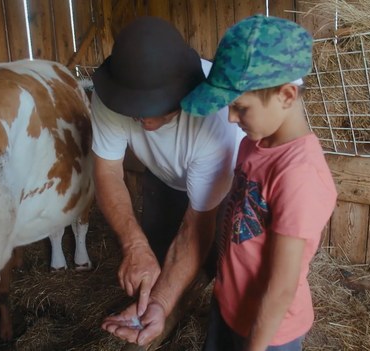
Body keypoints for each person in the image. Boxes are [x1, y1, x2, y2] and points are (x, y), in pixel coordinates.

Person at [180, 15, 338, 351]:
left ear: (285, 95)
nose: (231, 118)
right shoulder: (253, 144)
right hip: (229, 304)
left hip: (270, 332)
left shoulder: (299, 175)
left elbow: (282, 285)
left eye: (240, 107)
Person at [91, 17, 244, 346]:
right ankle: (159, 324)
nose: (144, 122)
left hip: (224, 184)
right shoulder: (113, 91)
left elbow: (196, 227)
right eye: (134, 109)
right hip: (163, 174)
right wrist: (134, 245)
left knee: (225, 268)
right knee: (157, 253)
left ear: (182, 95)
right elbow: (106, 171)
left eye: (157, 110)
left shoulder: (215, 120)